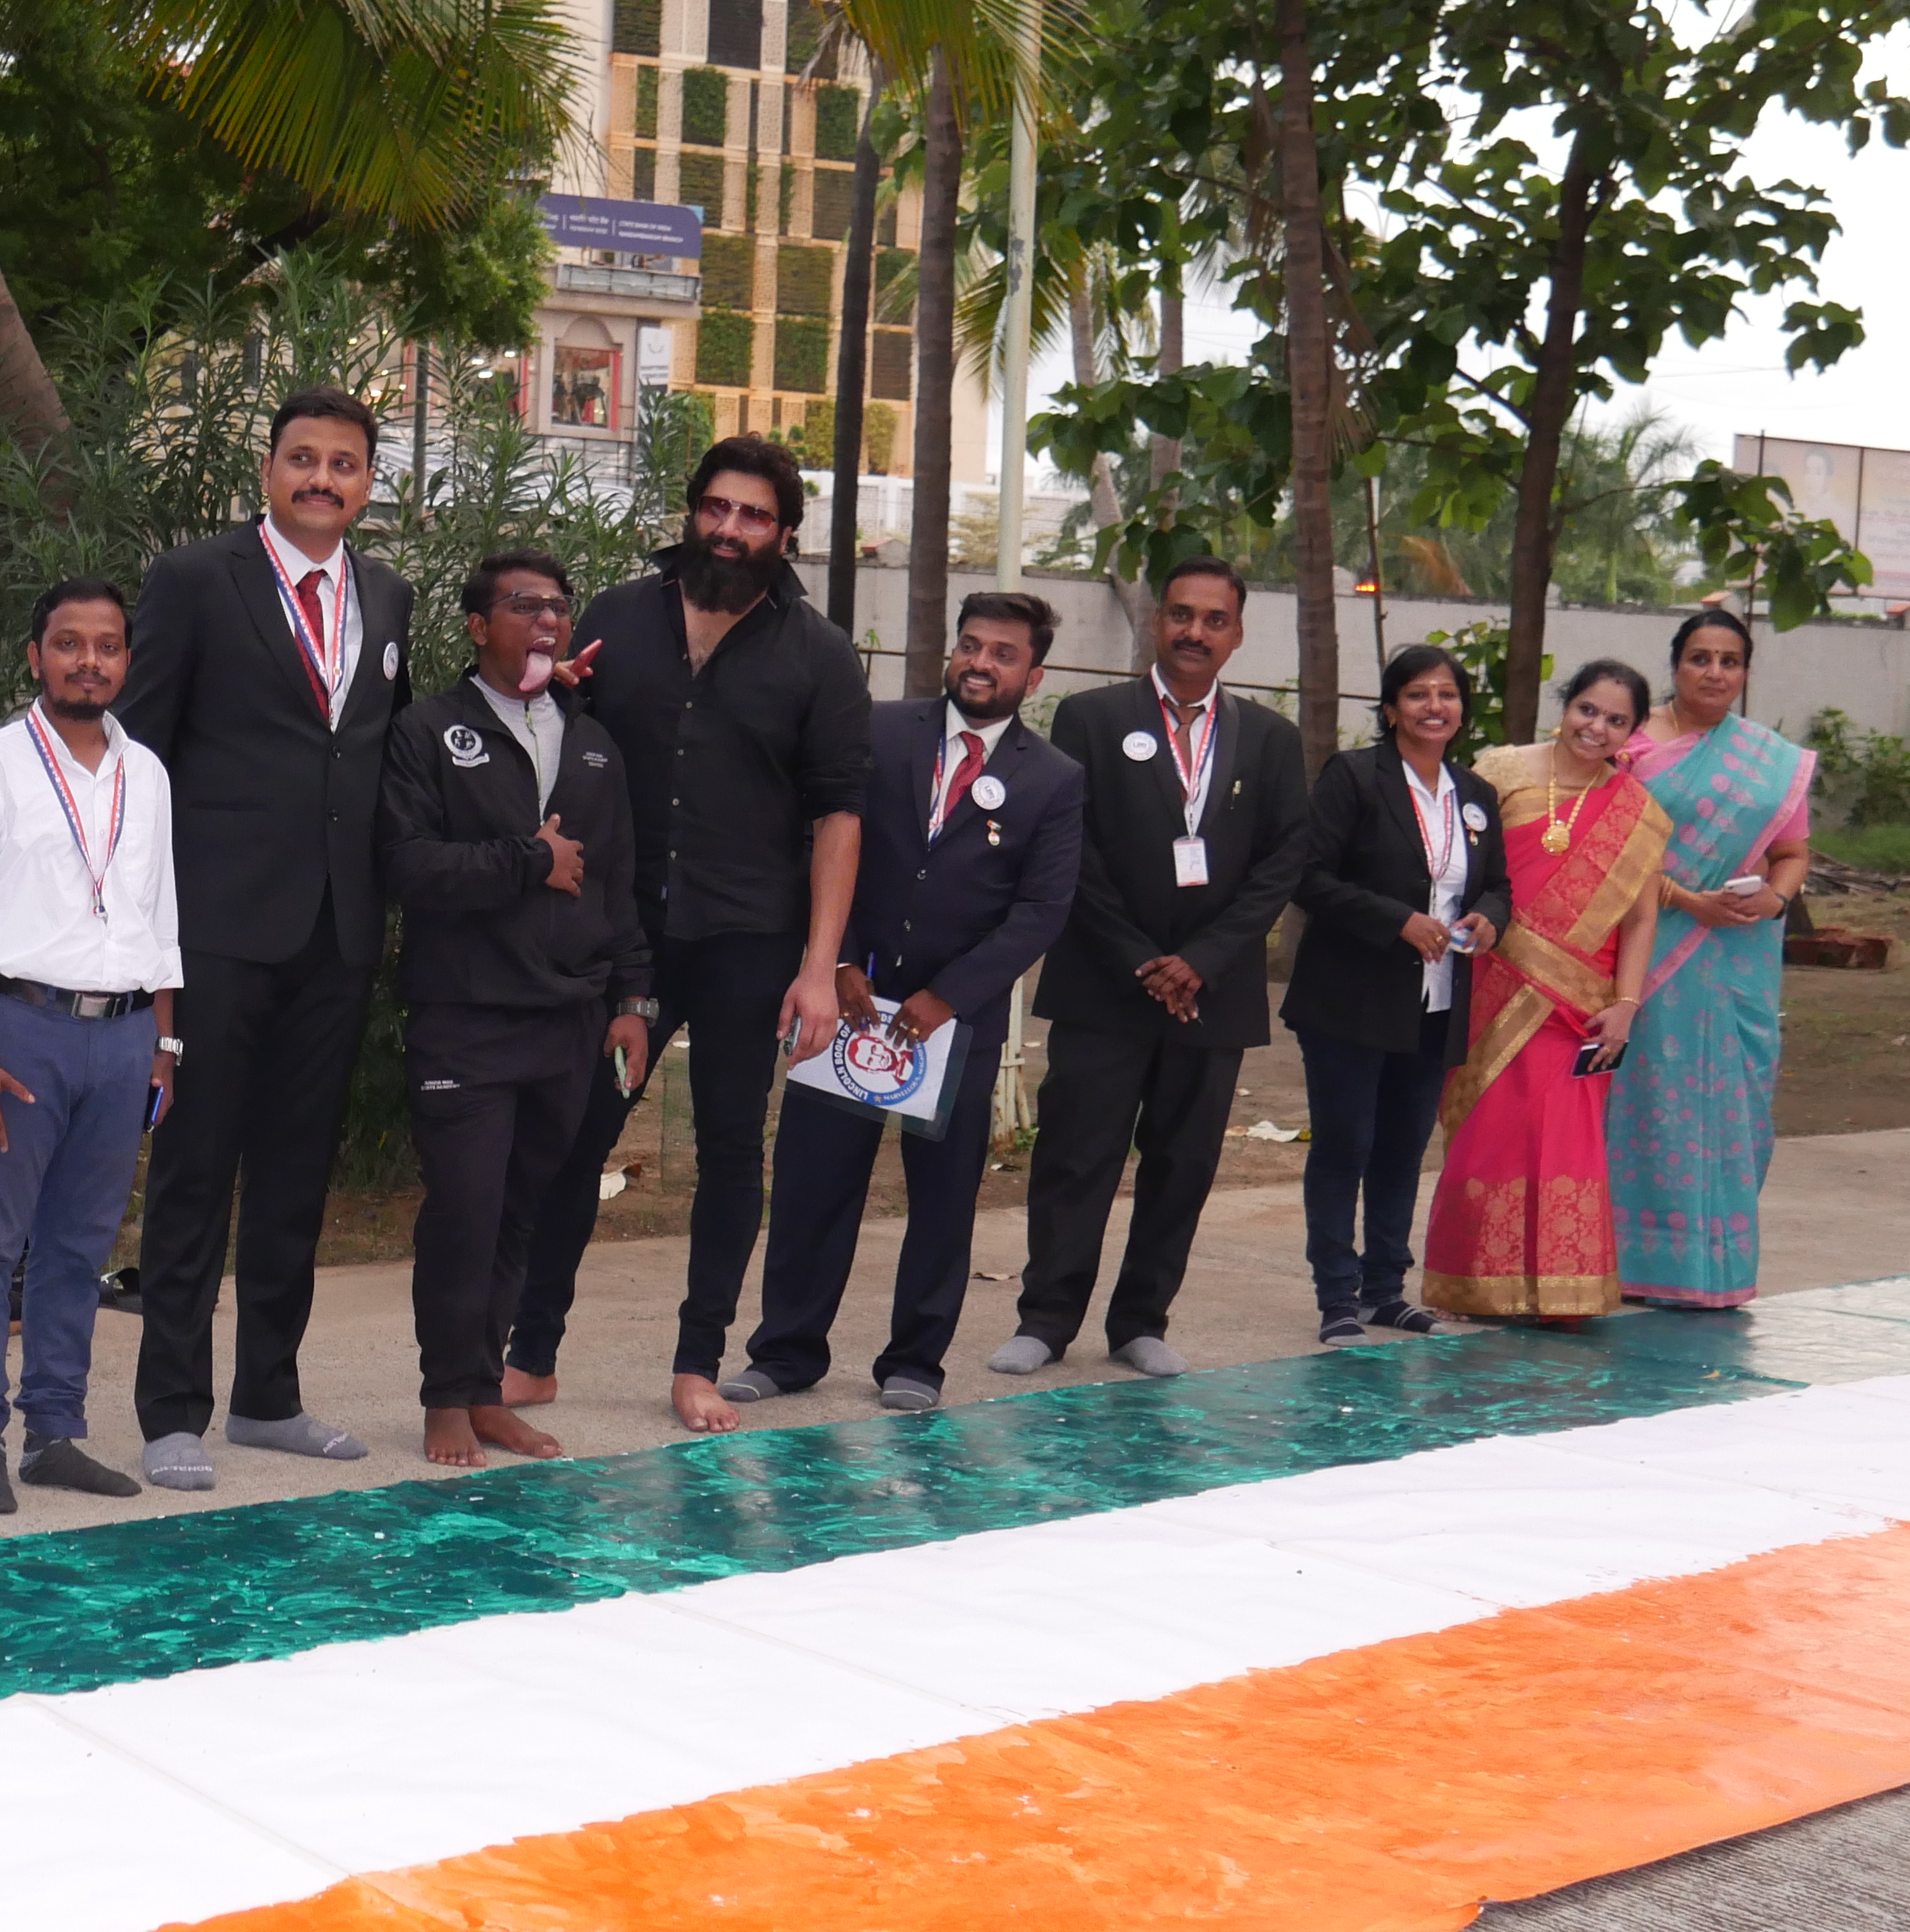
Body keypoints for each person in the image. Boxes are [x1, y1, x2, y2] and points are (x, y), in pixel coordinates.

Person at [505, 438, 870, 1436]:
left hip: (748, 939)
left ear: (784, 532)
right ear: (690, 511)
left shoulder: (820, 654)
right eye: (715, 507)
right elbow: (550, 739)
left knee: (725, 1152)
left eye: (753, 515)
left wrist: (816, 968)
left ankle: (696, 1361)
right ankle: (529, 1353)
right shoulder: (618, 617)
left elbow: (840, 816)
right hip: (624, 938)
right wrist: (546, 692)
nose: (729, 529)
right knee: (578, 1132)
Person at [113, 388, 416, 1488]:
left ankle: (270, 1397)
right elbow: (139, 759)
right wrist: (143, 930)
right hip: (217, 928)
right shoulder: (196, 581)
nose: (321, 479)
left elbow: (378, 750)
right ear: (269, 471)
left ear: (368, 483)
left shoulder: (389, 594)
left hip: (337, 928)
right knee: (197, 1167)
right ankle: (171, 1410)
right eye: (302, 459)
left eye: (344, 463)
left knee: (297, 1170)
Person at [728, 592, 1084, 1410]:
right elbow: (819, 840)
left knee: (942, 1198)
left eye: (1001, 653)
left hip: (954, 1024)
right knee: (814, 1183)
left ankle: (914, 1363)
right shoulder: (881, 731)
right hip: (847, 1003)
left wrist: (941, 998)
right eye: (969, 646)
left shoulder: (1054, 780)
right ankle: (784, 1351)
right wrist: (838, 959)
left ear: (1033, 675)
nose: (979, 664)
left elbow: (1039, 911)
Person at [380, 551, 656, 1465]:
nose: (544, 621)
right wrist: (524, 861)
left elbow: (616, 883)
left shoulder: (593, 741)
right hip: (465, 1014)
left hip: (569, 1020)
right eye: (522, 605)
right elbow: (408, 865)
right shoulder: (427, 730)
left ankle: (486, 1386)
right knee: (463, 1207)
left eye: (556, 608)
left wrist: (629, 998)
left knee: (518, 1213)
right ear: (475, 625)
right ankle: (443, 1396)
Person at [1003, 558, 1310, 1377]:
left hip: (1212, 995)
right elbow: (1073, 851)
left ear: (1236, 635)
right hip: (1105, 981)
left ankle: (1140, 1320)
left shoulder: (1271, 739)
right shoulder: (1090, 718)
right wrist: (1143, 960)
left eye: (1213, 620)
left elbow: (1281, 864)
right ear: (1154, 622)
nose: (1194, 632)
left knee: (1181, 1165)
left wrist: (1200, 961)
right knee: (1075, 1154)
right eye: (1180, 614)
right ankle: (1045, 1319)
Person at [0, 579, 179, 1514]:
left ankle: (53, 1432)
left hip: (122, 1039)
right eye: (69, 643)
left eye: (107, 646)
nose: (88, 661)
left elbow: (159, 918)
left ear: (125, 663)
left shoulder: (144, 773)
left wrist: (165, 1043)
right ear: (35, 656)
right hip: (19, 1029)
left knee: (80, 1247)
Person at [1420, 659, 1671, 1323]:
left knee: (1564, 1137)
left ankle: (1563, 1291)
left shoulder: (1640, 815)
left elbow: (1642, 915)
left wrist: (1625, 1003)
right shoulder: (1502, 771)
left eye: (1616, 720)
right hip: (1492, 982)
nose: (1597, 728)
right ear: (1567, 705)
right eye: (1588, 709)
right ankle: (1475, 1285)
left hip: (1580, 1002)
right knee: (1490, 1132)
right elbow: (1461, 865)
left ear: (1633, 734)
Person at [1281, 644, 1513, 1346]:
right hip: (1350, 998)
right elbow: (1308, 875)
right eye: (1417, 695)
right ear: (1390, 709)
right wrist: (1398, 921)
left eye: (1447, 695)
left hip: (1437, 999)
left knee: (1403, 1148)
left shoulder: (1474, 794)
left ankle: (1387, 1289)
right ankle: (1336, 1296)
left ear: (1462, 710)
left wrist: (1489, 919)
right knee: (1346, 1144)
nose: (1433, 707)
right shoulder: (1354, 777)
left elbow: (1497, 882)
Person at [1610, 609, 1813, 1309]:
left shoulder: (1769, 758)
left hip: (1740, 956)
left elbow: (1791, 853)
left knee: (1737, 1106)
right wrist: (1686, 900)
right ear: (1675, 665)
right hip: (1651, 945)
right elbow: (1610, 851)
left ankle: (1713, 1269)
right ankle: (1631, 1261)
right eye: (1701, 658)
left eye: (1730, 660)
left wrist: (1776, 901)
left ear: (1746, 671)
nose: (1715, 673)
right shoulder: (1629, 745)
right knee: (1644, 1095)